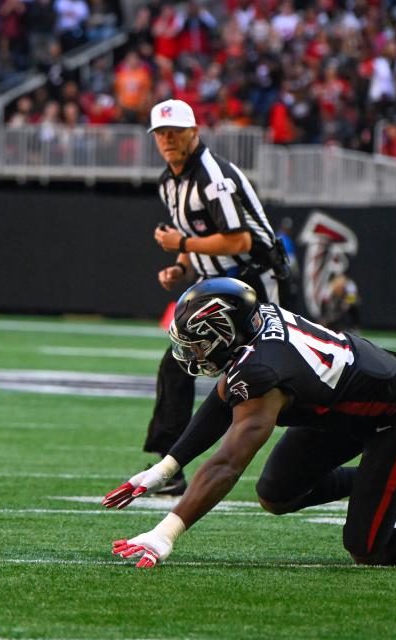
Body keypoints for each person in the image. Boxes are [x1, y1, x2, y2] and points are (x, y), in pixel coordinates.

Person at [104, 278, 396, 568]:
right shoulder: (256, 327)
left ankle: (385, 482)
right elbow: (222, 402)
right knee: (277, 493)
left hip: (393, 416)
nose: (192, 354)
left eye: (197, 344)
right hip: (340, 409)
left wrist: (164, 533)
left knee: (367, 550)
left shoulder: (262, 370)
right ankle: (379, 482)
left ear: (224, 333)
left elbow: (227, 464)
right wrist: (166, 468)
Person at [143, 99, 289, 496]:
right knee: (179, 363)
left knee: (276, 376)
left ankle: (318, 450)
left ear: (195, 132)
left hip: (252, 282)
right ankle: (169, 464)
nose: (168, 139)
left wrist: (183, 242)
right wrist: (181, 264)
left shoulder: (213, 176)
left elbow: (239, 238)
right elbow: (193, 233)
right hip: (216, 288)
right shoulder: (169, 182)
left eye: (176, 131)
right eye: (162, 133)